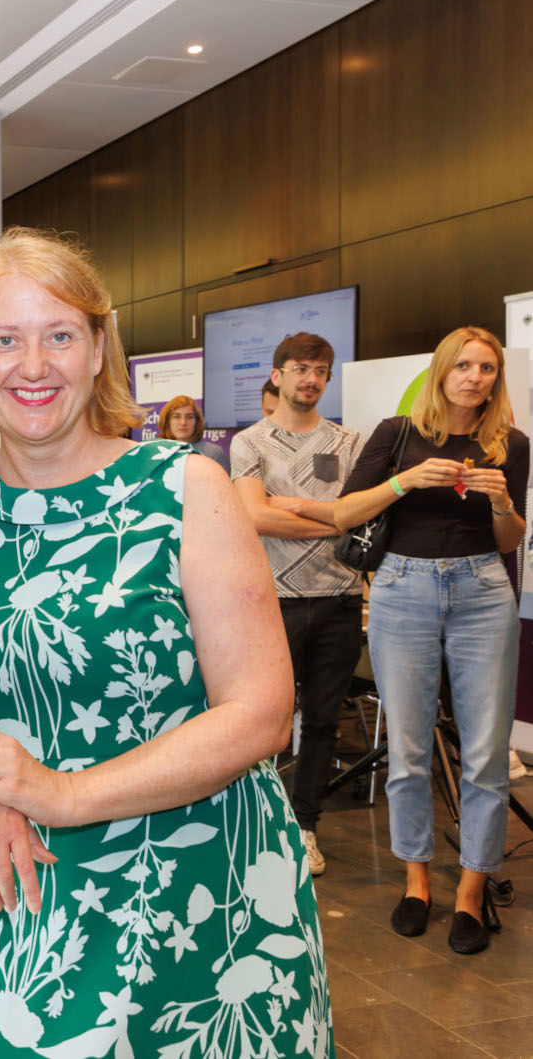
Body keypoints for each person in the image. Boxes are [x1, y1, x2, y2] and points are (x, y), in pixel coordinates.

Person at [0, 228, 329, 1057]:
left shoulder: (182, 485)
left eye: (59, 335)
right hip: (31, 878)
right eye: (5, 339)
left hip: (207, 876)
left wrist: (62, 792)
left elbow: (261, 712)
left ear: (98, 348)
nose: (33, 364)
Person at [334, 326, 527, 955]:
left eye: (488, 368)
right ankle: (416, 882)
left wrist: (501, 502)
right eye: (465, 365)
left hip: (483, 590)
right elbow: (345, 514)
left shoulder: (512, 444)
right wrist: (406, 481)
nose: (475, 377)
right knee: (410, 749)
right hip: (403, 588)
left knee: (486, 754)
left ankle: (471, 892)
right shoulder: (396, 435)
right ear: (442, 371)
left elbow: (509, 541)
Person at [228, 333, 363, 877]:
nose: (311, 379)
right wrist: (330, 516)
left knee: (325, 722)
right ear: (278, 374)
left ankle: (305, 827)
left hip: (340, 598)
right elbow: (255, 518)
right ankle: (257, 822)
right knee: (266, 718)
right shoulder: (250, 442)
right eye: (302, 368)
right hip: (272, 600)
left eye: (321, 371)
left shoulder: (351, 442)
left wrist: (302, 509)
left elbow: (359, 515)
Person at [156, 394, 229, 471]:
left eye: (189, 417)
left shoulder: (213, 452)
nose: (183, 422)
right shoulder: (157, 452)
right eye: (177, 417)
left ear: (197, 422)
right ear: (167, 421)